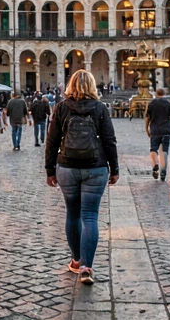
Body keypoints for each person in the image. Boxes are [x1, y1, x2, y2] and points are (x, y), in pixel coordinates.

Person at [45, 69, 118, 285]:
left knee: (72, 214)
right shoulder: (100, 108)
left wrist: (50, 170)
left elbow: (52, 141)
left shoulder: (61, 108)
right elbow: (109, 140)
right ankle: (87, 267)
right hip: (95, 168)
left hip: (66, 166)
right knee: (90, 216)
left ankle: (76, 261)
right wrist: (114, 169)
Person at [145, 88, 170, 180]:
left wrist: (146, 128)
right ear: (164, 94)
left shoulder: (151, 104)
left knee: (153, 149)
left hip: (154, 130)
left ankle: (155, 165)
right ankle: (163, 171)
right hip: (166, 130)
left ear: (156, 93)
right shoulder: (168, 104)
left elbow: (147, 117)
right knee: (164, 150)